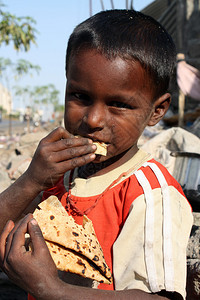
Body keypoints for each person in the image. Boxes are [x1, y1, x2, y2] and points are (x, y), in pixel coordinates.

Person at [0, 9, 193, 300]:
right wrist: (30, 180)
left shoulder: (151, 195)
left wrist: (54, 290)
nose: (92, 120)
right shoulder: (58, 174)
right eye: (80, 96)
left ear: (157, 111)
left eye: (118, 104)